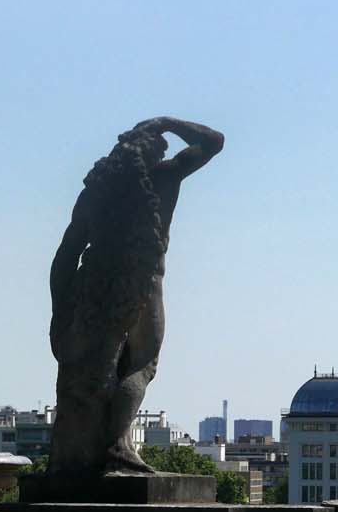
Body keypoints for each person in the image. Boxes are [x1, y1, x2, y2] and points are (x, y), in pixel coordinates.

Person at [48, 118, 222, 477]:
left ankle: (75, 457)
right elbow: (213, 141)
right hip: (143, 284)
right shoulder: (163, 179)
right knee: (141, 365)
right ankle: (118, 448)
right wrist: (166, 123)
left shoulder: (95, 194)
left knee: (86, 372)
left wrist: (58, 312)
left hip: (91, 286)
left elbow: (66, 256)